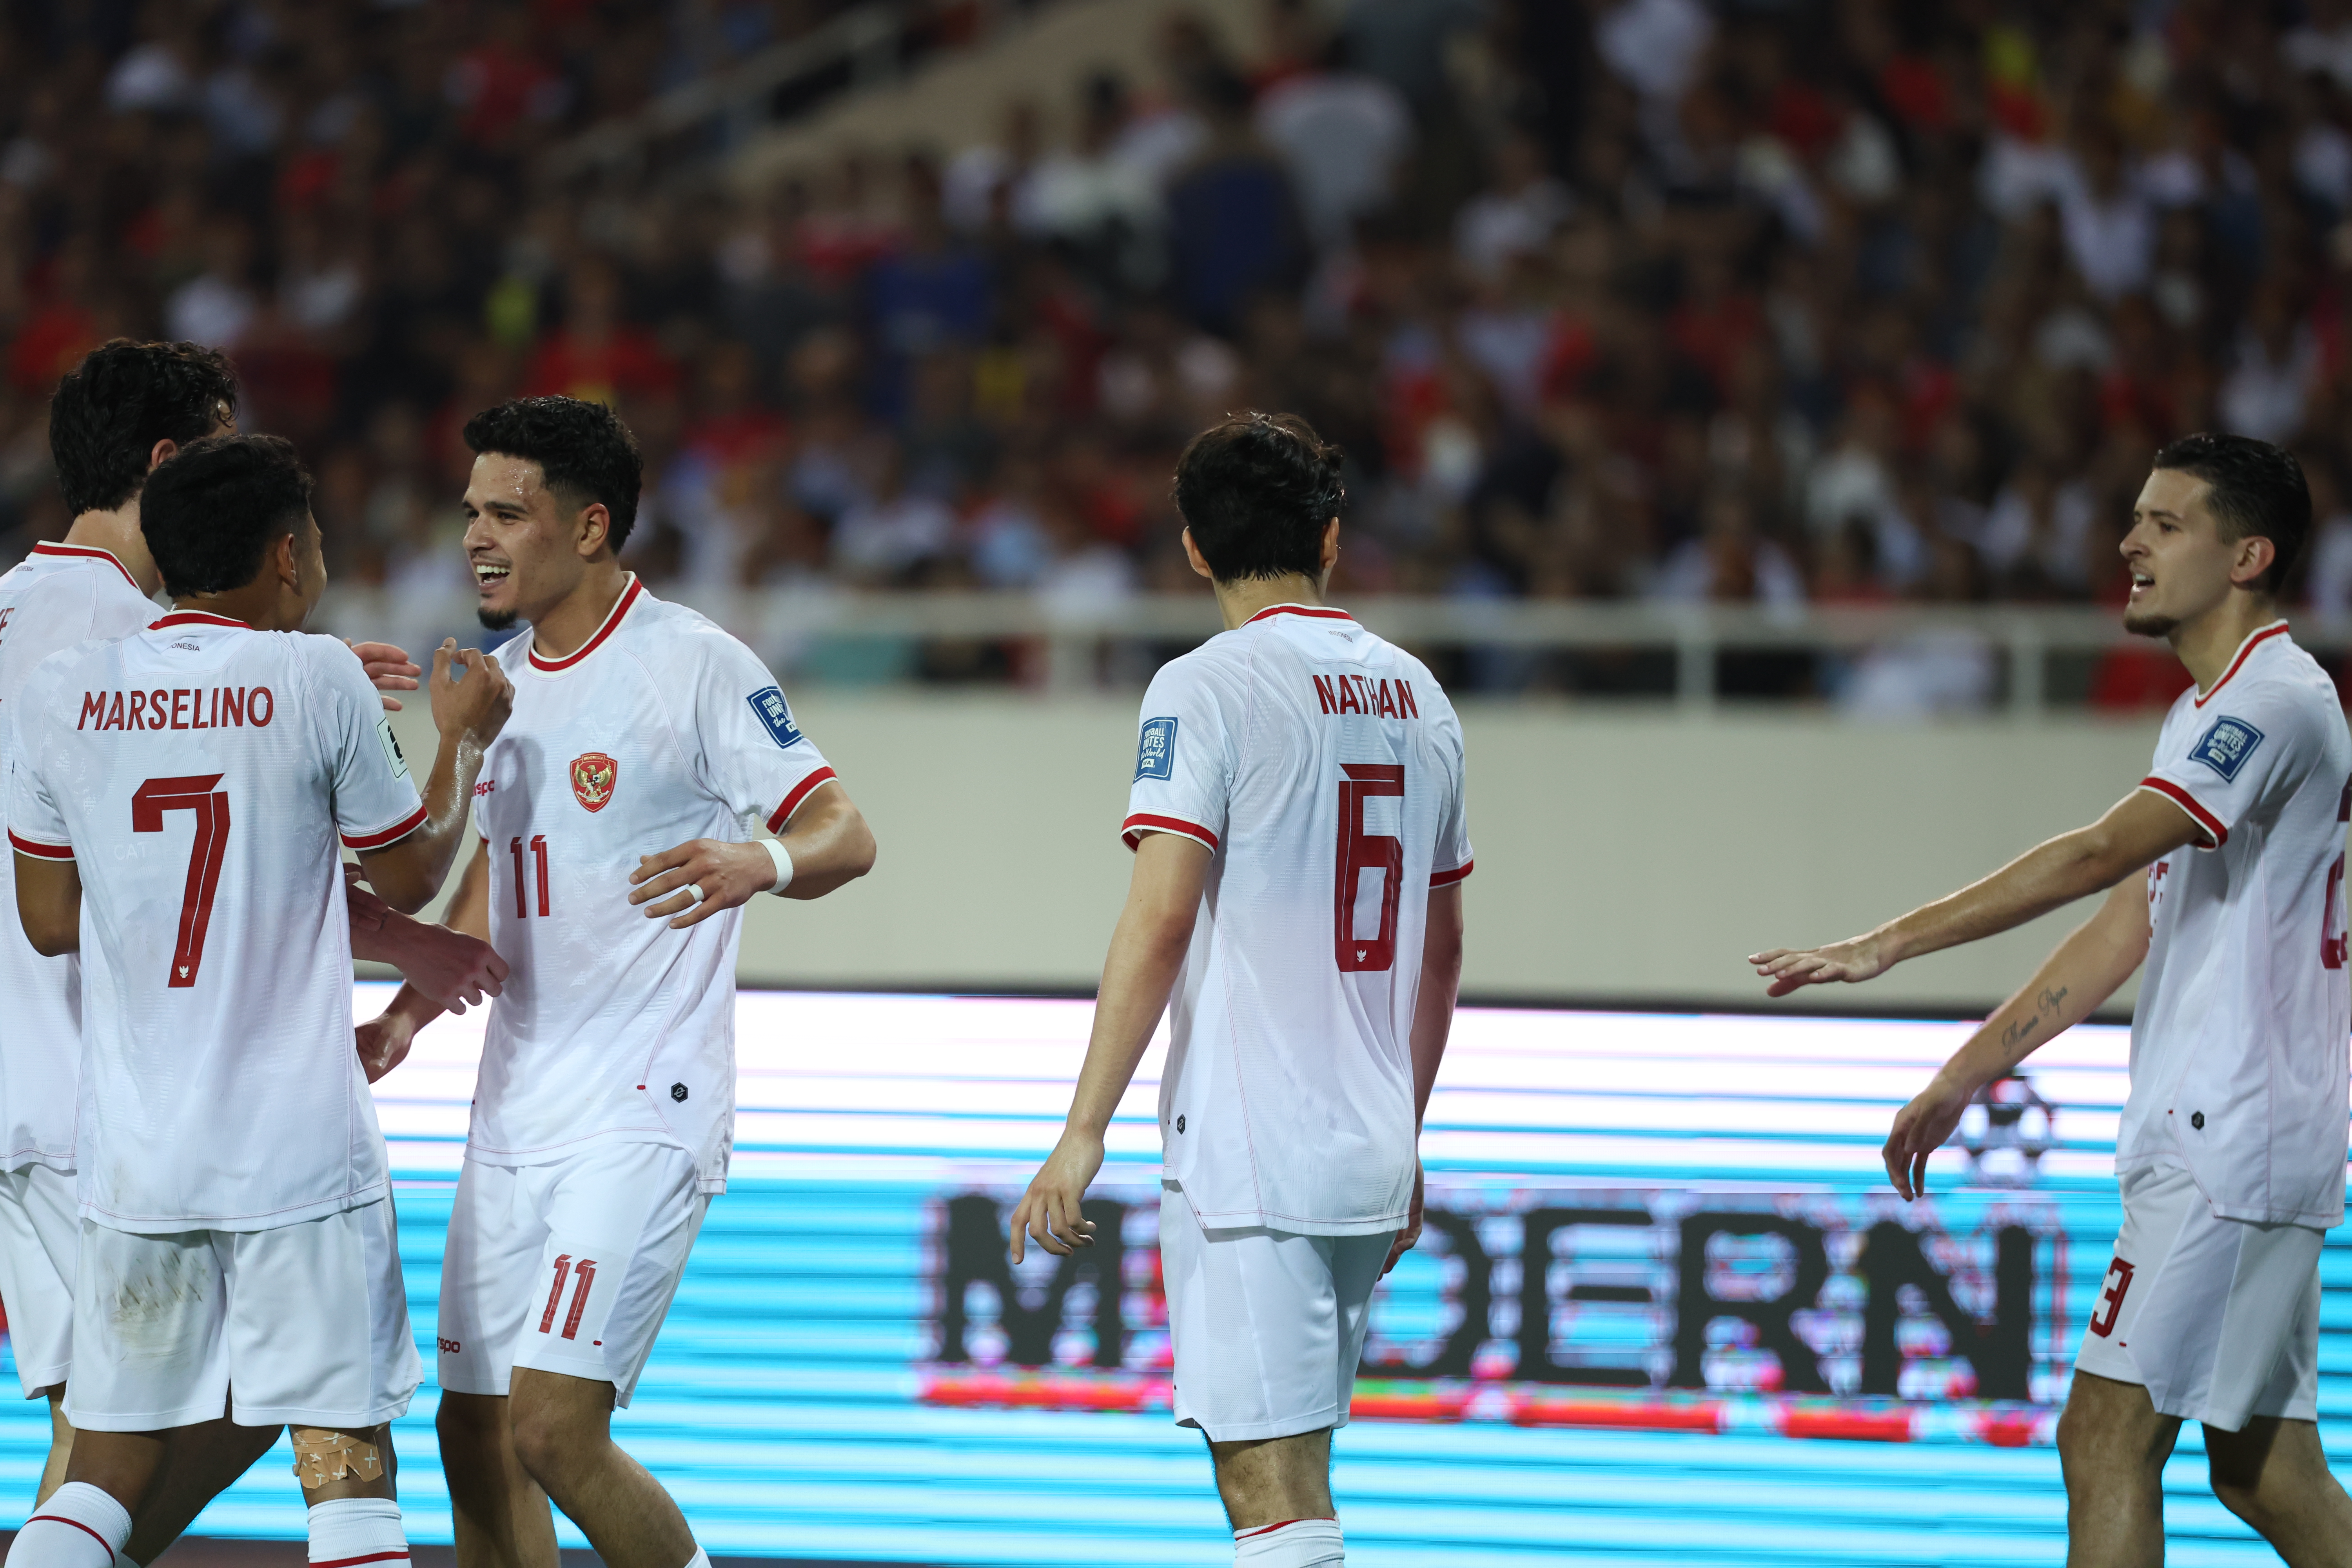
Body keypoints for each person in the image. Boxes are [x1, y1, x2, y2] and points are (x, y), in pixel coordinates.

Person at [1751, 432, 2352, 1564]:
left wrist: (1887, 944)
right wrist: (1962, 1075)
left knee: (2103, 1439)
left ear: (2248, 555)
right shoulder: (2216, 712)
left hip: (2229, 1136)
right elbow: (2127, 921)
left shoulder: (2268, 701)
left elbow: (2092, 858)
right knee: (2267, 1469)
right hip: (2261, 1133)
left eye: (2167, 524)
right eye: (2136, 518)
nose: (2130, 541)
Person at [0, 340, 506, 1562]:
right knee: (342, 1456)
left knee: (107, 1456)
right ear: (285, 553)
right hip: (286, 1144)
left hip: (125, 1138)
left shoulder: (62, 676)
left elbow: (53, 919)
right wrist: (458, 750)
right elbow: (411, 866)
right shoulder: (312, 673)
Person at [354, 396, 876, 1568]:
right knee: (473, 1433)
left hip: (642, 1109)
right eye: (470, 512)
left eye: (508, 512)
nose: (476, 537)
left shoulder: (691, 664)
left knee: (553, 1428)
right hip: (514, 1110)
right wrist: (403, 1016)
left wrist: (762, 858)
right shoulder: (493, 689)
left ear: (590, 528)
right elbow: (494, 885)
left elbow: (847, 833)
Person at [1008, 413, 1470, 1568]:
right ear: (1330, 539)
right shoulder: (1423, 697)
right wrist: (1404, 1133)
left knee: (1270, 1493)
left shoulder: (1203, 688)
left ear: (1194, 551)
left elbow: (1162, 915)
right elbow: (1443, 949)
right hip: (1370, 1139)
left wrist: (1081, 1130)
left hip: (1253, 1147)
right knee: (1295, 1474)